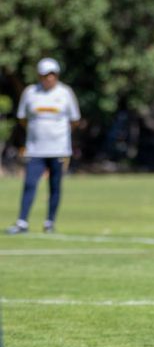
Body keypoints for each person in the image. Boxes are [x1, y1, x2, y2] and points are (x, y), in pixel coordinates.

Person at [6, 58, 80, 235]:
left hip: (59, 149)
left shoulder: (65, 93)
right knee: (30, 183)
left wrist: (59, 134)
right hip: (36, 149)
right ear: (40, 76)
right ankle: (22, 222)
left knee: (55, 186)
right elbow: (22, 118)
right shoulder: (30, 92)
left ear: (57, 75)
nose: (49, 78)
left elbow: (75, 120)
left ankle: (49, 223)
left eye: (52, 75)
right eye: (46, 75)